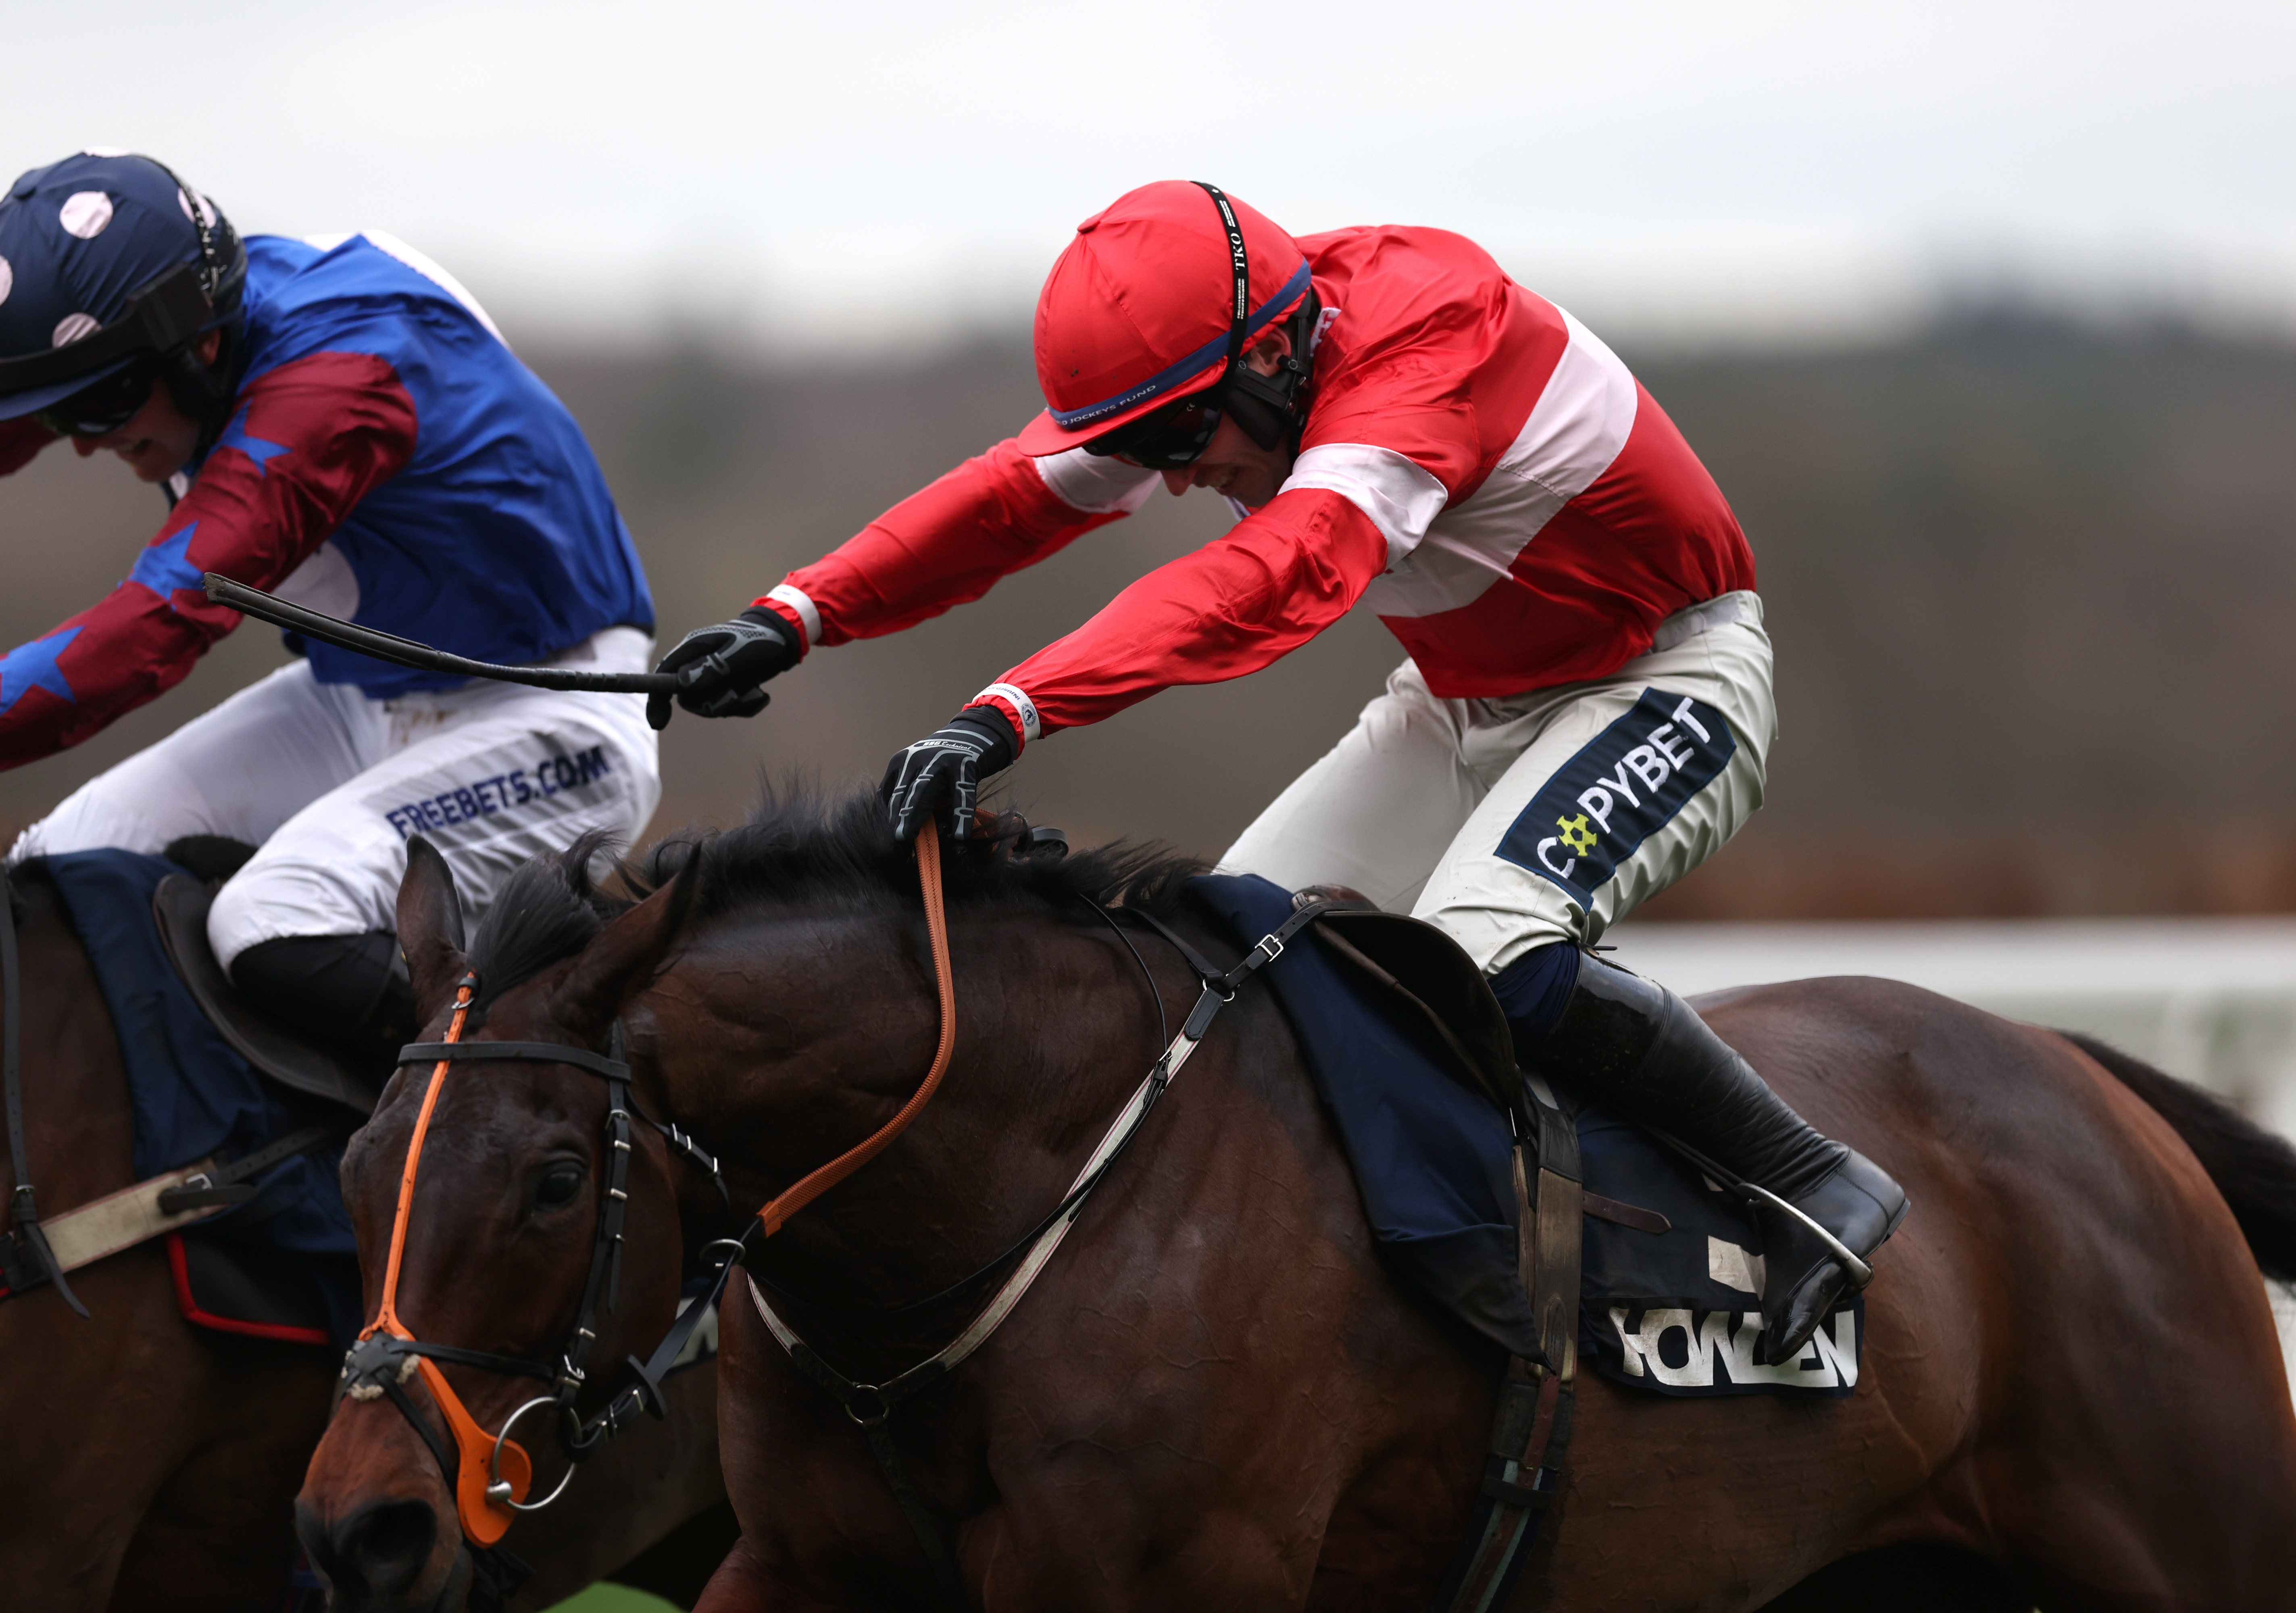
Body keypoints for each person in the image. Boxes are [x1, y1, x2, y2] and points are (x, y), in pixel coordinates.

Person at [650, 180, 1904, 1364]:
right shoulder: (1226, 354)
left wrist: (1008, 711)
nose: (1181, 476)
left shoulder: (1426, 347)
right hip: (1458, 704)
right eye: (1150, 446)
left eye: (1183, 442)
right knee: (1226, 972)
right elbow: (1004, 501)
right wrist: (791, 616)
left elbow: (1266, 583)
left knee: (1487, 947)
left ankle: (1807, 1179)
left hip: (1663, 683)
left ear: (1267, 356)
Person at [0, 151, 659, 1056]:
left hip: (551, 712)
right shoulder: (198, 309)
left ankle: (505, 1147)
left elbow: (151, 628)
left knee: (275, 920)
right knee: (54, 868)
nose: (88, 442)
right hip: (362, 697)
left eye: (104, 404)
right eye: (68, 412)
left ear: (199, 348)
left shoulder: (337, 381)